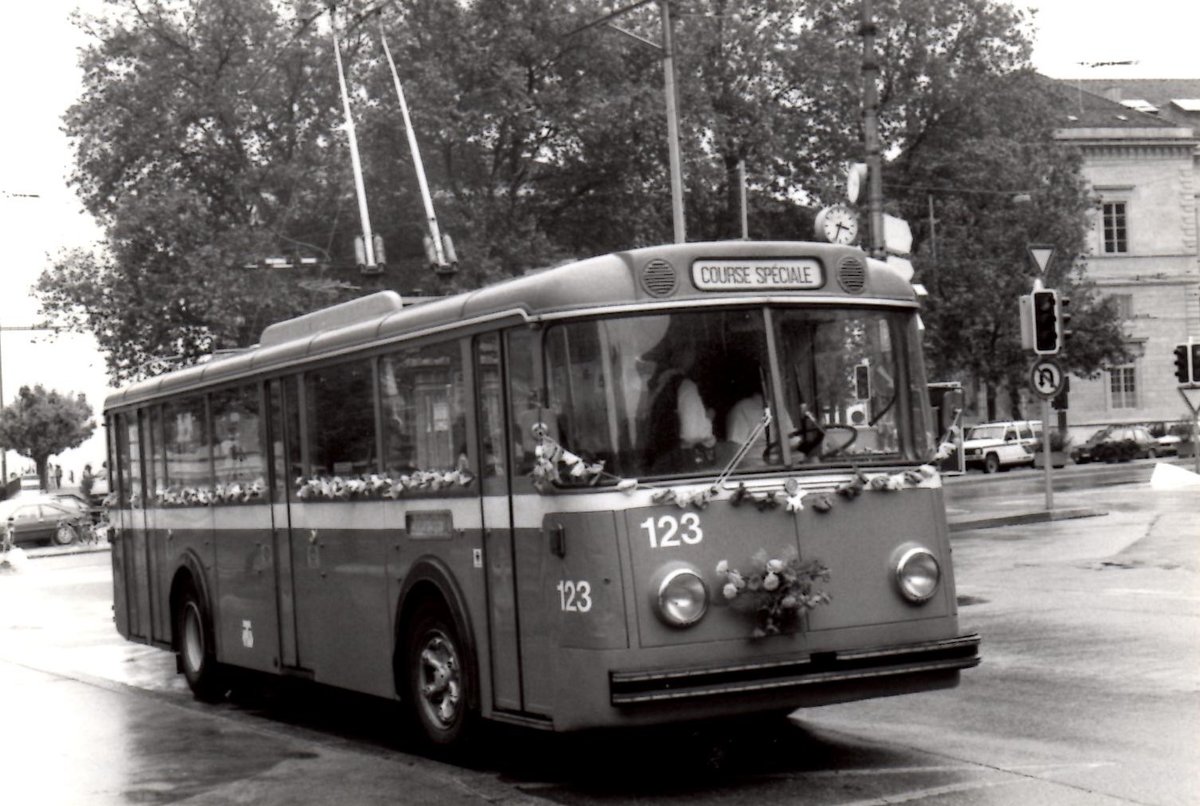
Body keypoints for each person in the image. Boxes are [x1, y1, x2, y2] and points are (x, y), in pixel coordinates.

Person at [644, 339, 715, 465]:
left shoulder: (658, 386)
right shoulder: (686, 386)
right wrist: (708, 419)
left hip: (658, 458)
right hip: (679, 462)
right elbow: (692, 434)